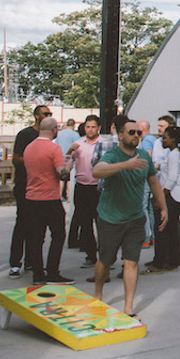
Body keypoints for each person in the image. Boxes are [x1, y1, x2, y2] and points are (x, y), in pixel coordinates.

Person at [91, 118, 166, 316]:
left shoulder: (143, 156)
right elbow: (96, 171)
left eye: (138, 133)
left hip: (135, 219)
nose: (135, 136)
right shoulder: (113, 155)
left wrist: (163, 207)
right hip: (110, 218)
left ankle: (128, 307)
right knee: (105, 261)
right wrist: (126, 165)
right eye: (131, 132)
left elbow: (154, 182)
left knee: (131, 262)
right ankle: (98, 293)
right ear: (121, 135)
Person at [24, 116, 72, 284]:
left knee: (36, 238)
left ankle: (37, 274)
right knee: (58, 235)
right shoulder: (54, 149)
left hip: (31, 197)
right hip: (50, 198)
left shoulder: (29, 148)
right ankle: (52, 271)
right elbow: (62, 174)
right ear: (54, 130)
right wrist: (69, 166)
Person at [68, 115, 113, 268]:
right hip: (82, 187)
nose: (90, 130)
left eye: (93, 127)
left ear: (98, 128)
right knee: (85, 224)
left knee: (102, 223)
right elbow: (67, 161)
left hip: (98, 188)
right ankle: (90, 255)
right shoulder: (78, 144)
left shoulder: (105, 144)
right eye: (87, 127)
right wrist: (69, 151)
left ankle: (106, 257)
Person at [7, 106, 45, 278]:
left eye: (50, 114)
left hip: (42, 187)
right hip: (24, 185)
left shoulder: (48, 137)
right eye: (45, 114)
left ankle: (31, 260)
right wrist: (36, 160)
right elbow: (16, 158)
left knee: (37, 226)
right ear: (36, 116)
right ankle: (15, 263)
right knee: (22, 223)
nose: (48, 116)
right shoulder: (25, 135)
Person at [148, 125, 180, 272]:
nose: (162, 140)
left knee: (162, 228)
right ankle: (171, 260)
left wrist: (160, 196)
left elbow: (172, 178)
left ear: (173, 140)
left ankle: (159, 262)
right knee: (172, 229)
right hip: (177, 195)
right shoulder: (176, 154)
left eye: (165, 138)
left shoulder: (173, 155)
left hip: (171, 195)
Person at [56, 118, 78, 201]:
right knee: (69, 179)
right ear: (74, 125)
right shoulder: (75, 134)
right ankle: (69, 197)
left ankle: (59, 196)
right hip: (70, 159)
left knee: (61, 179)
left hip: (60, 157)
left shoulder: (59, 134)